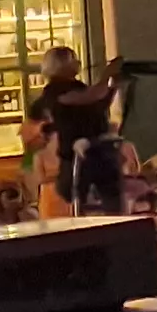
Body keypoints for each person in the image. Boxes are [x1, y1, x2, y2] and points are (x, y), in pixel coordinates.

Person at [31, 48, 125, 215]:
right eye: (72, 59)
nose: (78, 63)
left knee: (113, 198)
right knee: (79, 201)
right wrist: (106, 75)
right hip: (77, 156)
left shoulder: (77, 86)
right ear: (59, 64)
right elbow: (89, 97)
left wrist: (113, 87)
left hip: (99, 150)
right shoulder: (54, 90)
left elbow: (98, 105)